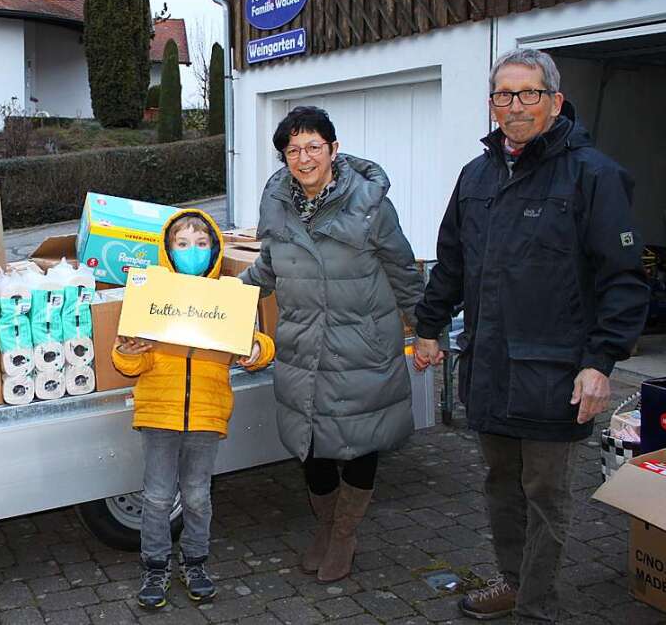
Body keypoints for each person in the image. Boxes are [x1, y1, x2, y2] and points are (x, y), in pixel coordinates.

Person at [414, 49, 649, 623]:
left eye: (528, 94)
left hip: (554, 375)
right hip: (489, 368)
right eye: (503, 95)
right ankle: (514, 581)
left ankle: (537, 606)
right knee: (500, 483)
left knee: (544, 494)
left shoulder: (593, 175)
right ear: (492, 104)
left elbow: (623, 282)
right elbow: (451, 262)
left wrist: (601, 363)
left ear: (555, 101)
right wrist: (428, 327)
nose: (514, 106)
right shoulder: (476, 176)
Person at [239, 106, 424, 582]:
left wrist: (426, 328)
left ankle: (345, 534)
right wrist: (209, 298)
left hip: (361, 344)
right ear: (284, 157)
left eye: (313, 147)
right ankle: (324, 527)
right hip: (303, 346)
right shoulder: (277, 204)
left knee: (362, 440)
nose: (303, 158)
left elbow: (404, 269)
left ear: (333, 149)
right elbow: (266, 270)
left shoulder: (369, 205)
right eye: (293, 149)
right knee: (312, 443)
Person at [113, 209, 275, 610]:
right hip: (158, 413)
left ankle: (196, 564)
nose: (192, 251)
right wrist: (128, 351)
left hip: (206, 412)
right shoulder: (151, 296)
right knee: (156, 497)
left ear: (214, 249)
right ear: (168, 249)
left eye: (201, 244)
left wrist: (257, 350)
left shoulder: (227, 296)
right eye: (182, 244)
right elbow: (129, 361)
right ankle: (154, 567)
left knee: (198, 496)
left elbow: (258, 344)